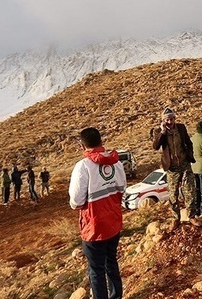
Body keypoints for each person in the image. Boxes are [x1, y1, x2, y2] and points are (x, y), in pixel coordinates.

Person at [69, 127, 126, 299]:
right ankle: (116, 296)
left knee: (96, 270)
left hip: (94, 227)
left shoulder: (83, 167)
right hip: (113, 222)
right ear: (101, 142)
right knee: (111, 262)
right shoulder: (116, 163)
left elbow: (76, 200)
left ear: (82, 146)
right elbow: (122, 188)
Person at [152, 107, 200, 227]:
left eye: (172, 119)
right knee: (173, 194)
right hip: (171, 168)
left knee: (190, 191)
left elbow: (188, 142)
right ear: (163, 120)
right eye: (167, 119)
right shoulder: (158, 131)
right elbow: (155, 146)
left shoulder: (181, 128)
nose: (170, 122)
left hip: (184, 164)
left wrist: (189, 153)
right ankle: (176, 218)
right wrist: (163, 132)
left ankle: (192, 216)